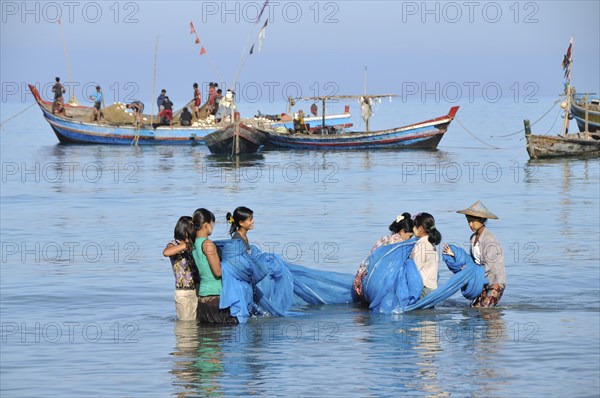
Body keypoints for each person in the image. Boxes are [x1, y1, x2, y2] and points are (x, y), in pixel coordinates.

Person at [443, 200, 506, 307]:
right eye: (468, 221)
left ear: (482, 220)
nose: (470, 224)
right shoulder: (473, 238)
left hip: (494, 281)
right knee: (474, 309)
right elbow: (473, 261)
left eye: (473, 221)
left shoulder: (489, 240)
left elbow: (489, 265)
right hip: (481, 281)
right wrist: (454, 255)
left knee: (484, 310)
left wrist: (470, 270)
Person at [353, 213, 415, 301]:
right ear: (402, 231)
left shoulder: (384, 238)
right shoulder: (399, 243)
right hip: (373, 286)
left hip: (359, 283)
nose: (410, 239)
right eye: (410, 236)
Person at [192, 208, 237, 324]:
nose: (213, 226)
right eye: (213, 223)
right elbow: (218, 272)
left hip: (202, 297)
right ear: (206, 225)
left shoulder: (193, 244)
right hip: (214, 296)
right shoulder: (208, 244)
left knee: (206, 338)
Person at [163, 216, 200, 321]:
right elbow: (166, 252)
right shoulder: (174, 244)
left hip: (198, 289)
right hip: (183, 291)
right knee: (185, 327)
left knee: (197, 325)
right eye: (192, 228)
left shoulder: (195, 244)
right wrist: (185, 246)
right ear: (184, 229)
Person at [411, 212, 442, 299]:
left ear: (420, 228)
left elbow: (415, 269)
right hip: (432, 288)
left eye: (414, 226)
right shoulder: (430, 243)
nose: (413, 229)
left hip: (424, 289)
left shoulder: (421, 244)